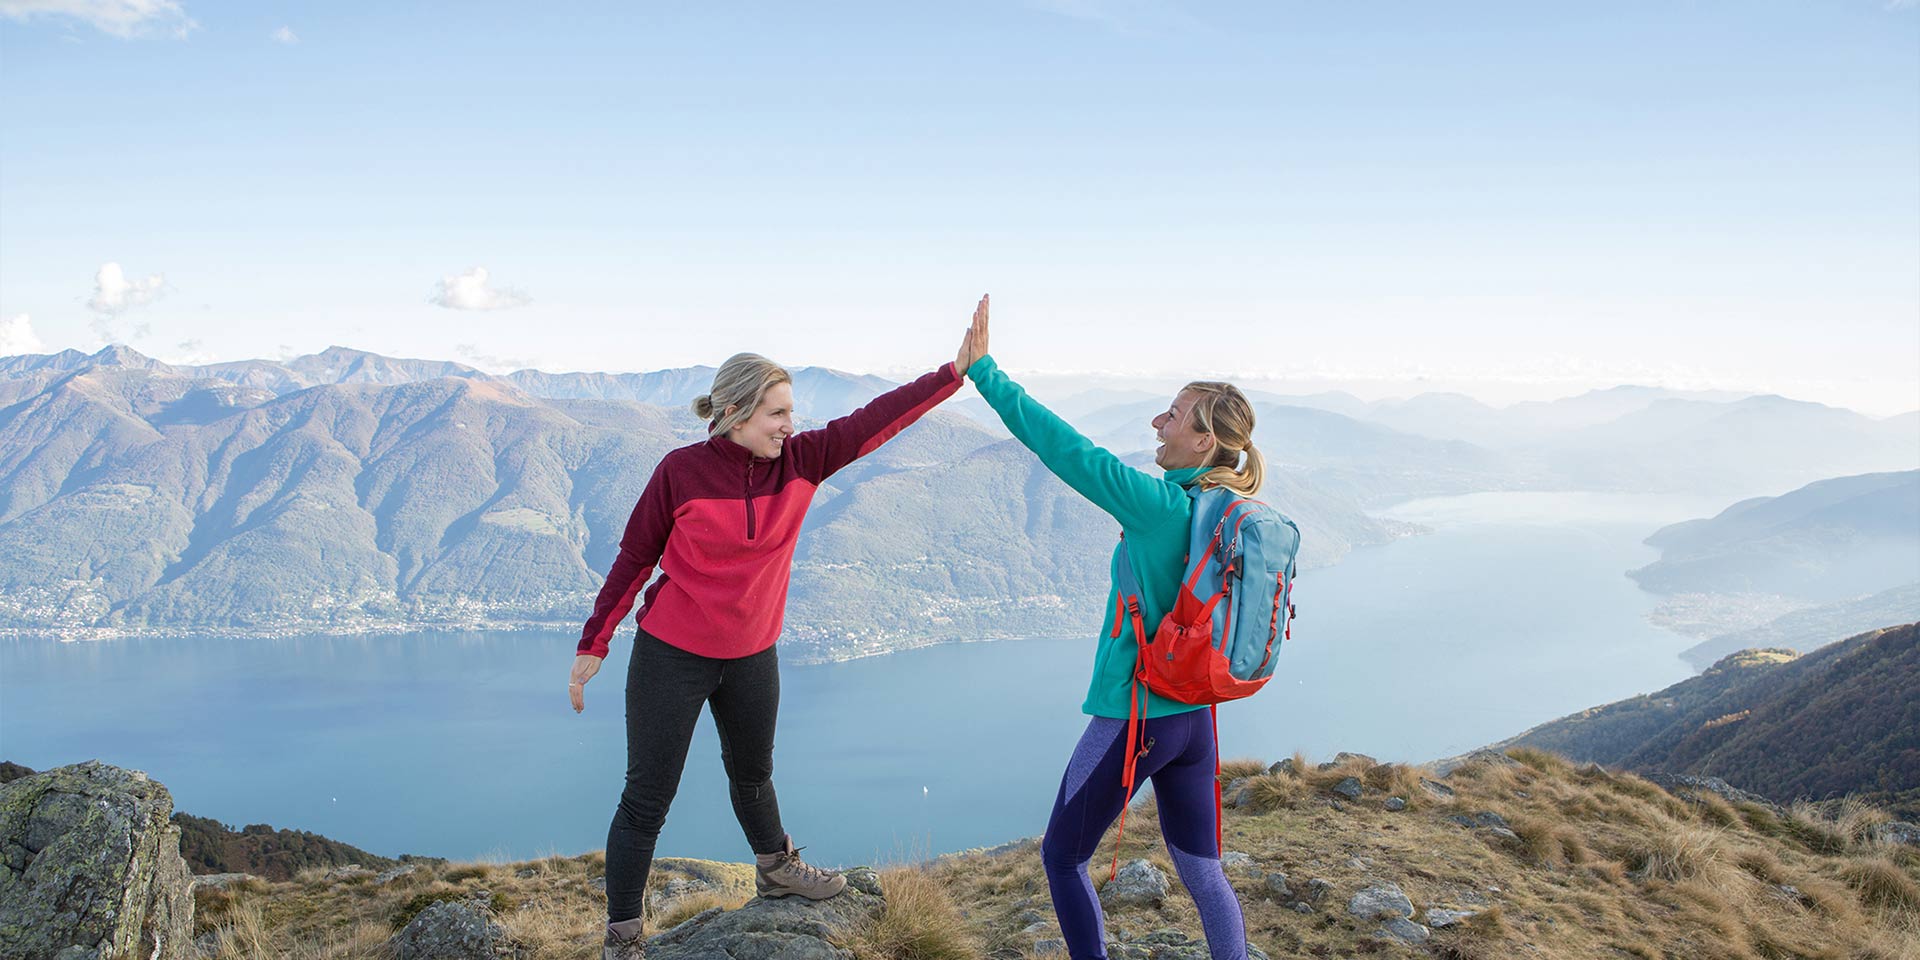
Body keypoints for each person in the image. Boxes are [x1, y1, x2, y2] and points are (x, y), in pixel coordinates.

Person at [573, 298, 989, 958]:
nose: (790, 426)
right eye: (778, 413)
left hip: (750, 655)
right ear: (735, 414)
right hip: (670, 654)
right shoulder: (679, 472)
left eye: (791, 413)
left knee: (754, 776)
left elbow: (874, 424)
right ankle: (623, 936)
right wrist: (594, 644)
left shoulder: (802, 461)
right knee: (646, 798)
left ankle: (776, 871)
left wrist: (953, 374)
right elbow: (635, 557)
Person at [964, 299, 1262, 960]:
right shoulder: (1224, 510)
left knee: (1061, 858)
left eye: (1174, 415)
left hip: (1136, 718)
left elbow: (1067, 451)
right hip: (1196, 721)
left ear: (1203, 441)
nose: (1159, 421)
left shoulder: (1161, 506)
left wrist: (985, 373)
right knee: (1203, 872)